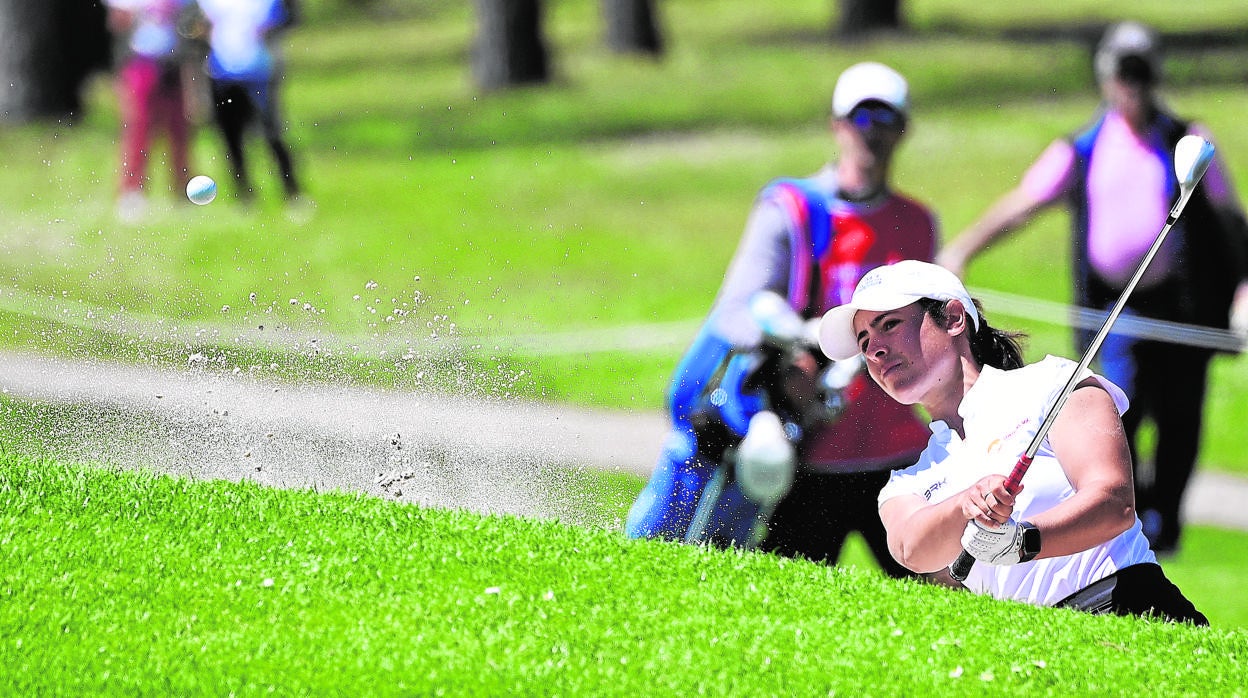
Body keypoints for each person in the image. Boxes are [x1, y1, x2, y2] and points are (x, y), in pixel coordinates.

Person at [936, 21, 1248, 555]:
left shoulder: (1187, 140)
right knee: (1121, 411)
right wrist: (962, 251)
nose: (1132, 83)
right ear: (1106, 77)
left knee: (1180, 421)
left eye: (1141, 71)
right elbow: (1023, 205)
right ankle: (1121, 522)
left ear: (1155, 76)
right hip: (1114, 310)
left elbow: (1230, 223)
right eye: (1123, 71)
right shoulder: (1081, 148)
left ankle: (1163, 527)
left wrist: (1244, 292)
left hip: (1180, 309)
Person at [625, 62, 938, 578]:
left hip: (895, 454)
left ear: (903, 130)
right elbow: (738, 310)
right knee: (780, 606)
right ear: (837, 123)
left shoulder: (918, 221)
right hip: (805, 458)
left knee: (943, 606)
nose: (873, 134)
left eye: (886, 120)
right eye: (861, 118)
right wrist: (796, 347)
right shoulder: (791, 207)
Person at [818, 260, 1207, 623]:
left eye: (889, 325)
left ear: (953, 318)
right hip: (1030, 642)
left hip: (1129, 604)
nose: (875, 349)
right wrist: (966, 504)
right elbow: (911, 549)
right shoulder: (908, 481)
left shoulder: (1051, 383)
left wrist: (1023, 541)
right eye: (864, 341)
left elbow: (1113, 503)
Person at [190, 0, 306, 208]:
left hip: (258, 72)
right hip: (221, 74)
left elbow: (280, 22)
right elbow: (195, 27)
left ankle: (292, 192)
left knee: (272, 133)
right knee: (231, 138)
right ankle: (244, 195)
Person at [104, 0, 198, 220]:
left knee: (179, 131)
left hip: (174, 64)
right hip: (141, 63)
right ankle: (132, 191)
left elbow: (194, 27)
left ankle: (183, 191)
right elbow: (117, 25)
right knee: (139, 130)